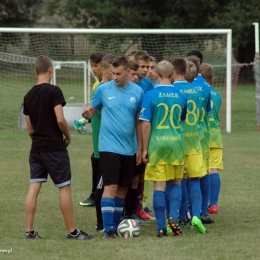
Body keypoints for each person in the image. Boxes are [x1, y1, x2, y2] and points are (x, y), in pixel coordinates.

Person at [23, 55, 94, 240]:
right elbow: (60, 119)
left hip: (36, 149)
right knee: (64, 188)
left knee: (34, 188)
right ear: (50, 70)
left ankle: (29, 231)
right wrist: (67, 136)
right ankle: (72, 231)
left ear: (34, 71)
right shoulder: (54, 91)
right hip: (54, 148)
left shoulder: (28, 95)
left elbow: (29, 129)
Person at [82, 56, 144, 239]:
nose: (115, 77)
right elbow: (92, 109)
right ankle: (108, 228)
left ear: (127, 72)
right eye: (113, 73)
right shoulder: (103, 90)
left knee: (123, 188)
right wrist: (87, 114)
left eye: (119, 73)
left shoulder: (138, 92)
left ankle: (117, 225)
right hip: (108, 146)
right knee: (111, 185)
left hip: (129, 148)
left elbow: (139, 122)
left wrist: (140, 148)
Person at [140, 60, 187, 237]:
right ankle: (173, 219)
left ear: (157, 75)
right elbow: (181, 119)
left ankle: (160, 226)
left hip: (157, 144)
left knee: (159, 185)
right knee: (176, 181)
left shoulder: (150, 95)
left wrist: (144, 149)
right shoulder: (181, 96)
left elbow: (145, 125)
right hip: (176, 143)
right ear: (172, 74)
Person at [170, 57, 207, 234]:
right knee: (194, 181)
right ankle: (196, 216)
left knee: (178, 181)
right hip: (194, 143)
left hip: (176, 143)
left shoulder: (171, 91)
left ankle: (179, 215)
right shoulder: (197, 91)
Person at [186, 54, 214, 224]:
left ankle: (183, 214)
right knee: (202, 173)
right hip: (201, 137)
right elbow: (208, 113)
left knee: (181, 178)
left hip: (182, 138)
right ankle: (202, 211)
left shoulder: (177, 87)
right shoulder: (205, 88)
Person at [91, 54, 116, 232]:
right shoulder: (101, 89)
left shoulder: (115, 89)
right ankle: (101, 223)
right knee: (102, 186)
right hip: (102, 147)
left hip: (115, 147)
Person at [79, 51, 106, 207]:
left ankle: (97, 196)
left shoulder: (104, 86)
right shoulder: (97, 84)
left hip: (105, 134)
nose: (93, 69)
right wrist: (85, 120)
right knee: (95, 159)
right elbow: (94, 109)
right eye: (92, 66)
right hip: (96, 132)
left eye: (96, 66)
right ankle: (95, 195)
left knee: (99, 161)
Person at [200, 63, 223, 214]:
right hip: (215, 136)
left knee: (201, 171)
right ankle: (213, 204)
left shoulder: (199, 92)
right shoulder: (217, 95)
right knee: (213, 170)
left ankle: (200, 204)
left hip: (202, 136)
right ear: (212, 78)